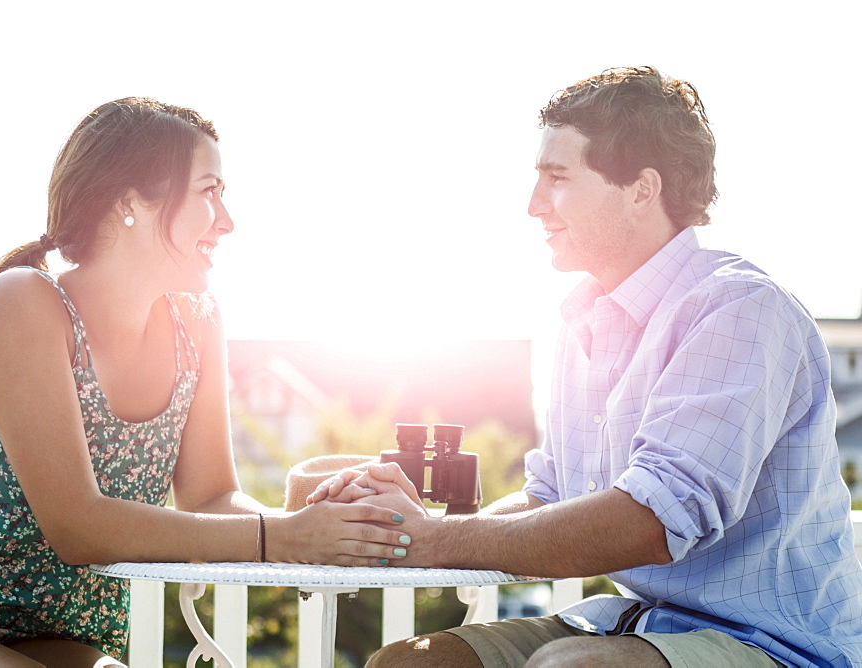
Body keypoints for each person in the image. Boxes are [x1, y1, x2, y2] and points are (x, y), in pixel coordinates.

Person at [310, 67, 862, 667]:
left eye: (558, 177)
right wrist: (415, 525)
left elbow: (649, 522)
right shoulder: (580, 320)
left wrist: (432, 542)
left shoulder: (739, 312)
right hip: (644, 623)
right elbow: (548, 499)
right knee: (409, 662)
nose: (533, 204)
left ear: (641, 190)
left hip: (776, 643)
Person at [0, 97, 411, 667]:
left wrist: (315, 521)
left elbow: (210, 499)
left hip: (43, 628)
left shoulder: (197, 321)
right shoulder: (23, 304)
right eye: (208, 191)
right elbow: (78, 526)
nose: (227, 220)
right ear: (131, 202)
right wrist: (282, 538)